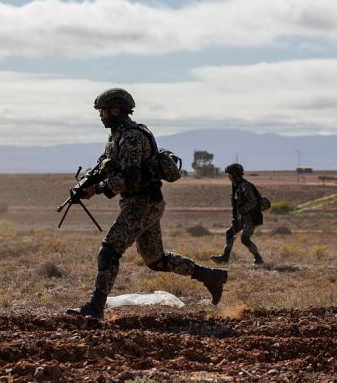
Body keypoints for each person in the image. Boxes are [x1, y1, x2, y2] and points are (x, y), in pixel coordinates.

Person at [66, 88, 228, 319]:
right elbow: (105, 165)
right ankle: (211, 277)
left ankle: (95, 307)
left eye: (102, 111)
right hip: (143, 204)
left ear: (116, 110)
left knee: (109, 251)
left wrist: (97, 190)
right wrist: (85, 184)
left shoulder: (131, 137)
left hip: (142, 204)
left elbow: (131, 177)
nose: (100, 116)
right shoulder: (117, 136)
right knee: (156, 260)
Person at [212, 163, 265, 265]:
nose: (229, 177)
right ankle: (225, 257)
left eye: (230, 174)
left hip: (251, 217)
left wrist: (242, 210)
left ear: (235, 174)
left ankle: (258, 259)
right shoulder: (237, 186)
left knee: (244, 239)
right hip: (243, 217)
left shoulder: (245, 186)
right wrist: (236, 217)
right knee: (230, 232)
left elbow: (253, 202)